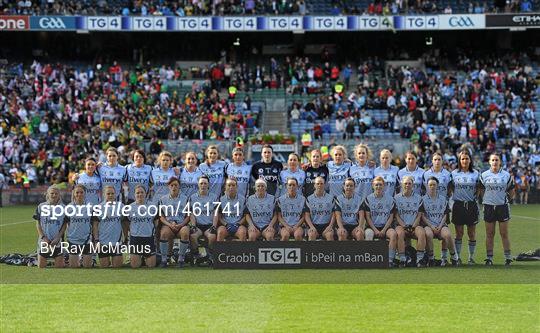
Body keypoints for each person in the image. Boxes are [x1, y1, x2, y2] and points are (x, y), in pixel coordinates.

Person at [479, 153, 515, 266]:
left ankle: (508, 257)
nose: (495, 162)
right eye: (493, 160)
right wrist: (487, 199)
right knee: (490, 233)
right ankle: (489, 258)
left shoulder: (506, 175)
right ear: (489, 162)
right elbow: (481, 190)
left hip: (502, 207)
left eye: (496, 160)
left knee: (504, 233)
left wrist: (506, 199)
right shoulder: (484, 175)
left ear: (500, 162)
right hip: (489, 207)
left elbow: (512, 190)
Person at [451, 150, 481, 264]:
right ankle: (458, 257)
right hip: (458, 205)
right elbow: (451, 188)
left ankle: (471, 257)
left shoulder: (475, 173)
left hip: (471, 205)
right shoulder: (453, 173)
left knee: (471, 233)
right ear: (459, 160)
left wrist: (475, 197)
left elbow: (479, 187)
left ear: (470, 160)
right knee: (459, 233)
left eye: (467, 158)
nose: (464, 161)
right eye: (462, 159)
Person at [422, 177, 460, 267]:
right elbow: (422, 216)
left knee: (447, 235)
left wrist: (440, 226)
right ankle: (431, 258)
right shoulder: (423, 199)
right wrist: (431, 226)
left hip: (441, 224)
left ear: (437, 186)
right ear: (427, 186)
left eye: (434, 185)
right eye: (430, 185)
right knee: (428, 234)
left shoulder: (443, 199)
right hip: (429, 225)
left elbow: (445, 214)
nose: (432, 186)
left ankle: (454, 257)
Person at [363, 177, 399, 267]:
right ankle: (369, 259)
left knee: (393, 234)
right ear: (372, 186)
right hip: (372, 226)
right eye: (376, 185)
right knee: (368, 234)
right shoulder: (368, 199)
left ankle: (389, 260)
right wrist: (375, 230)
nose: (378, 187)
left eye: (380, 185)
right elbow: (367, 217)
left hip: (386, 226)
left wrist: (383, 230)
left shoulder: (390, 199)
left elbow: (391, 217)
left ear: (384, 186)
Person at [394, 176, 426, 267]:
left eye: (409, 183)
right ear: (401, 185)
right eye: (405, 183)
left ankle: (419, 259)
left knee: (421, 233)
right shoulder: (396, 198)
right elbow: (396, 215)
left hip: (414, 225)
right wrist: (404, 226)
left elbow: (419, 215)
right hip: (401, 225)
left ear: (413, 185)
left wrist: (413, 226)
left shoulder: (419, 198)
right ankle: (402, 259)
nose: (407, 185)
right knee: (399, 233)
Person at [158, 177, 190, 268]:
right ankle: (164, 260)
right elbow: (161, 217)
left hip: (181, 223)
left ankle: (181, 259)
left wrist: (181, 224)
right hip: (168, 224)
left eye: (176, 185)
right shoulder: (163, 199)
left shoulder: (185, 198)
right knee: (163, 233)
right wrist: (169, 224)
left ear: (179, 186)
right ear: (168, 187)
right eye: (172, 185)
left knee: (185, 232)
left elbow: (188, 216)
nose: (174, 187)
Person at [92, 186, 126, 268]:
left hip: (116, 242)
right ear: (104, 194)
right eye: (108, 193)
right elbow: (95, 225)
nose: (110, 195)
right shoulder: (98, 207)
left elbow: (124, 223)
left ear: (115, 194)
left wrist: (125, 238)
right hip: (103, 242)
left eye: (112, 193)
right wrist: (96, 240)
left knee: (117, 266)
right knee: (104, 266)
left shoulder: (121, 206)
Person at [34, 185, 66, 268]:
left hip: (57, 241)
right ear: (47, 194)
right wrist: (43, 237)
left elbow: (65, 225)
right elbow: (38, 223)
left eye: (56, 193)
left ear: (59, 195)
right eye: (52, 193)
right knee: (41, 267)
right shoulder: (41, 206)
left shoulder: (64, 208)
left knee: (59, 267)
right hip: (44, 241)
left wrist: (58, 238)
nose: (54, 195)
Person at [189, 175, 218, 262]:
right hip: (198, 225)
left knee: (212, 237)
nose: (203, 185)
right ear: (198, 184)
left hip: (209, 225)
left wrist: (214, 226)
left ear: (208, 185)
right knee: (193, 236)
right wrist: (193, 226)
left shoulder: (214, 197)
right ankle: (196, 254)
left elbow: (216, 213)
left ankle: (210, 256)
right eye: (201, 183)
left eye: (205, 183)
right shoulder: (192, 197)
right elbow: (192, 213)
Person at [127, 186, 158, 268]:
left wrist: (155, 234)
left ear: (146, 194)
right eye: (137, 193)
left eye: (142, 192)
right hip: (135, 239)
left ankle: (153, 256)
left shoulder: (152, 207)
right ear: (134, 195)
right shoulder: (129, 208)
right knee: (135, 266)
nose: (140, 194)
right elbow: (126, 223)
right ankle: (139, 257)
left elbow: (156, 221)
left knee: (151, 265)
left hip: (148, 238)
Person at [65, 185, 93, 268]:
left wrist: (95, 238)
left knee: (87, 266)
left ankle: (81, 259)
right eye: (77, 192)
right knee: (73, 267)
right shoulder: (69, 207)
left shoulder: (90, 206)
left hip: (86, 239)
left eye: (81, 192)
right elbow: (66, 223)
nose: (79, 194)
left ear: (85, 194)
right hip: (73, 240)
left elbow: (94, 223)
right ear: (73, 193)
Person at [305, 177, 337, 241]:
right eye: (317, 183)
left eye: (321, 183)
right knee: (311, 235)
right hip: (313, 225)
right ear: (314, 185)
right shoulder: (309, 198)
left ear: (324, 185)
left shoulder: (331, 198)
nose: (319, 185)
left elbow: (334, 214)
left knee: (330, 235)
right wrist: (311, 227)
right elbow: (306, 215)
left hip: (327, 225)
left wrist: (330, 226)